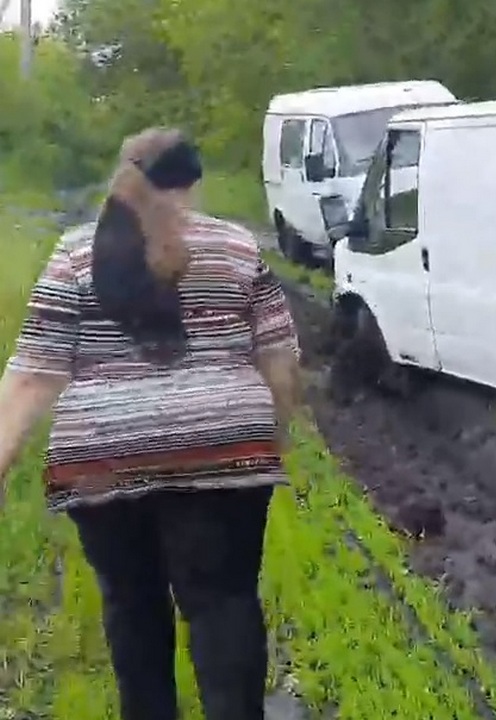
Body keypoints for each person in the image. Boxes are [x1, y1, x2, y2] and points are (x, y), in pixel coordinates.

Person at [0, 128, 303, 720]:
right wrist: (276, 433)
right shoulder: (239, 248)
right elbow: (281, 360)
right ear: (193, 183)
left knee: (133, 608)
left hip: (100, 466)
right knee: (223, 604)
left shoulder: (73, 255)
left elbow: (32, 377)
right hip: (224, 453)